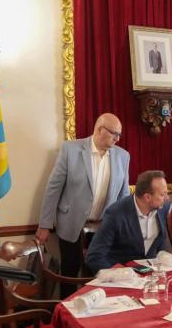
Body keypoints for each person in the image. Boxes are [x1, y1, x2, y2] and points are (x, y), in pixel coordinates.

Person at [36, 113, 130, 295]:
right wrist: (45, 225)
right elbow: (54, 188)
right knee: (70, 270)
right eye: (114, 133)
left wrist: (124, 228)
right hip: (71, 224)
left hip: (103, 227)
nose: (118, 139)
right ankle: (66, 309)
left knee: (100, 274)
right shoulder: (70, 149)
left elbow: (124, 196)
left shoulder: (123, 156)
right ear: (100, 130)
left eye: (119, 134)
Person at [86, 170, 170, 272]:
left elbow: (160, 243)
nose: (167, 198)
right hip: (122, 276)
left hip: (151, 273)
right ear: (147, 197)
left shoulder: (162, 207)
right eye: (162, 194)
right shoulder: (115, 214)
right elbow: (94, 257)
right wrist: (118, 272)